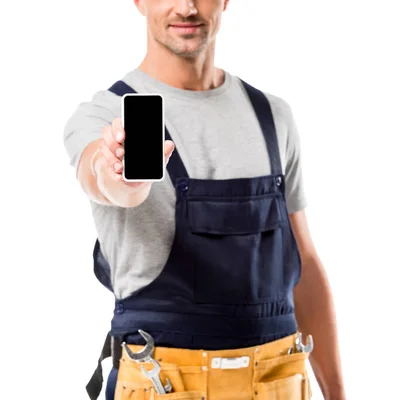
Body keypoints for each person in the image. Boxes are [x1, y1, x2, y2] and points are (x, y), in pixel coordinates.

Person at [63, 0, 346, 398]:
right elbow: (100, 177)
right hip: (162, 385)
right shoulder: (105, 117)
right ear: (139, 1)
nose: (187, 7)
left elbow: (305, 264)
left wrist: (337, 393)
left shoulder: (274, 118)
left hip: (277, 384)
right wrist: (119, 181)